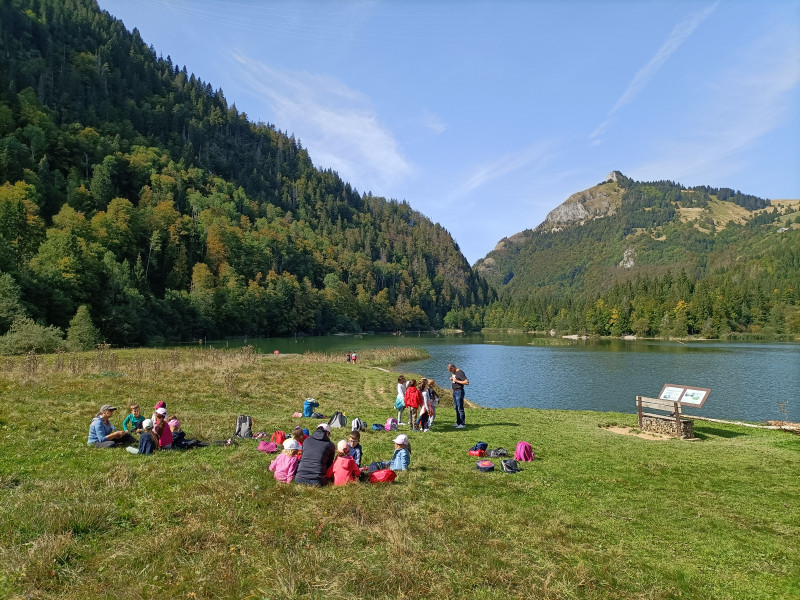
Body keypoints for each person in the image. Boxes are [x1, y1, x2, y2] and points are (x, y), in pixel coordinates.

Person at [447, 363, 469, 428]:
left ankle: (462, 424)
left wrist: (456, 381)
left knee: (460, 408)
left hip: (459, 391)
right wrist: (453, 379)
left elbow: (466, 382)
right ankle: (458, 422)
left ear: (453, 368)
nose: (451, 372)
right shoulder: (455, 373)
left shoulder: (460, 373)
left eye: (451, 370)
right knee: (456, 408)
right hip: (455, 391)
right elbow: (456, 380)